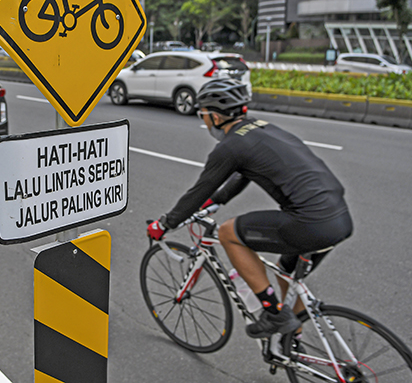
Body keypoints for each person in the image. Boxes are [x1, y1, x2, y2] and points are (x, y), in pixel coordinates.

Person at [147, 79, 353, 338]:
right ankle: (293, 338)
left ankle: (275, 315)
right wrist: (218, 201)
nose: (204, 121)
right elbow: (244, 174)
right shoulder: (262, 129)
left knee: (228, 233)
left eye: (203, 115)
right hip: (340, 218)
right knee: (287, 274)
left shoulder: (230, 146)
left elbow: (199, 191)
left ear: (214, 116)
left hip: (310, 222)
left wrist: (165, 224)